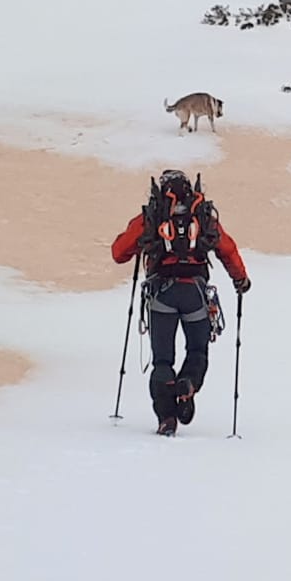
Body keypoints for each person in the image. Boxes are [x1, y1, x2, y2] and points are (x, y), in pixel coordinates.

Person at [111, 169, 251, 435]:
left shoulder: (152, 216)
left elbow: (119, 253)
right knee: (197, 351)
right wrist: (241, 279)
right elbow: (227, 248)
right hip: (196, 293)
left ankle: (166, 419)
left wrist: (142, 241)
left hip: (161, 293)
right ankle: (187, 384)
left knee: (162, 361)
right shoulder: (203, 216)